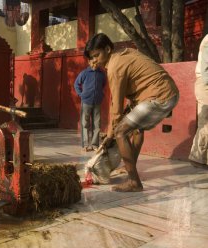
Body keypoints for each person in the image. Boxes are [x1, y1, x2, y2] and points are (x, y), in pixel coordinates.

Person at [84, 33, 179, 192]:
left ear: (108, 49)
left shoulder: (114, 66)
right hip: (169, 93)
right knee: (136, 129)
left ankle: (134, 182)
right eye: (92, 58)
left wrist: (110, 134)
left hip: (159, 96)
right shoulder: (124, 53)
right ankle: (130, 167)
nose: (95, 61)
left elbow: (116, 106)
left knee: (121, 131)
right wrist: (110, 131)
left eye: (97, 55)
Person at [74, 59, 106, 152]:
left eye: (96, 62)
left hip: (97, 101)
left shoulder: (101, 74)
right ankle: (85, 145)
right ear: (89, 62)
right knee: (85, 123)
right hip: (86, 101)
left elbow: (103, 84)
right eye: (93, 62)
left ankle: (95, 144)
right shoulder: (84, 73)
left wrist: (100, 94)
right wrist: (81, 94)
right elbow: (76, 84)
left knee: (97, 124)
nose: (95, 64)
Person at [189, 34, 208, 168]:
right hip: (206, 84)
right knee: (206, 123)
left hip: (205, 83)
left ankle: (200, 158)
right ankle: (197, 157)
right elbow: (206, 70)